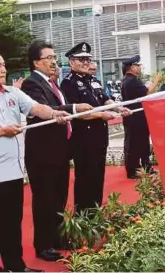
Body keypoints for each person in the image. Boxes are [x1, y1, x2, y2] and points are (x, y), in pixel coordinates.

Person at [0, 49, 70, 272]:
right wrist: (1, 131)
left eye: (4, 64)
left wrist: (55, 114)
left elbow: (36, 108)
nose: (4, 69)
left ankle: (16, 266)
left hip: (14, 172)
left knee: (12, 224)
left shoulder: (12, 94)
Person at [21, 40, 94, 261]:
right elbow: (46, 109)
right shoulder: (32, 85)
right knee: (45, 200)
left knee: (59, 199)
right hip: (42, 154)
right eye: (48, 58)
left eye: (54, 57)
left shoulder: (54, 83)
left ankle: (58, 238)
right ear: (36, 62)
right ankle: (43, 245)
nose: (54, 62)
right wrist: (74, 108)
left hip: (60, 152)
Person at [61, 42, 131, 214]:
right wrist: (101, 115)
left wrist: (118, 108)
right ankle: (83, 216)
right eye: (81, 59)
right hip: (83, 140)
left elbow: (105, 99)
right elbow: (76, 113)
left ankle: (95, 212)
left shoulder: (93, 80)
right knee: (85, 178)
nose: (86, 62)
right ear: (72, 62)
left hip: (99, 138)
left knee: (98, 177)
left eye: (88, 59)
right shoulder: (68, 83)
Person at [121, 55, 162, 179]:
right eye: (138, 65)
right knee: (135, 143)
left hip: (137, 117)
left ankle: (145, 166)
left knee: (142, 143)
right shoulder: (132, 81)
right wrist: (156, 81)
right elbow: (148, 94)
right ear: (132, 67)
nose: (140, 67)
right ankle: (133, 169)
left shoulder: (129, 80)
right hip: (135, 118)